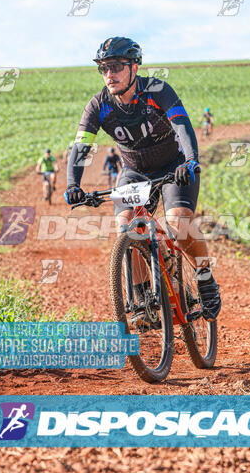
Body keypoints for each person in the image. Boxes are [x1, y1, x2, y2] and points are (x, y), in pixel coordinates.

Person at [64, 37, 221, 321]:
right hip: (135, 172)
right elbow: (81, 146)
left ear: (134, 67)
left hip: (173, 167)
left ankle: (205, 277)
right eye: (103, 69)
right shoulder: (99, 104)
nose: (109, 74)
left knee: (179, 220)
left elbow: (181, 124)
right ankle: (145, 298)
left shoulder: (157, 89)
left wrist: (190, 160)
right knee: (127, 227)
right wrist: (73, 184)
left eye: (115, 67)